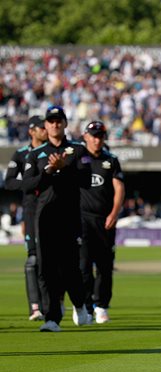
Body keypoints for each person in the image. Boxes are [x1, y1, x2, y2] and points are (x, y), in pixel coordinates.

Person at [22, 105, 92, 332]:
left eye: (58, 120)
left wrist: (65, 168)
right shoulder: (35, 154)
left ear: (65, 123)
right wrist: (48, 172)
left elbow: (87, 180)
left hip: (69, 216)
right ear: (46, 125)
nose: (54, 124)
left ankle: (80, 305)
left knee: (70, 268)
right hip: (44, 218)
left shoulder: (78, 151)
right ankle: (51, 318)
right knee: (46, 268)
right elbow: (26, 185)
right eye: (50, 121)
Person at [79, 121, 125, 324]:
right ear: (86, 136)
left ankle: (102, 306)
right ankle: (85, 306)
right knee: (84, 265)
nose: (97, 140)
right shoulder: (78, 159)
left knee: (105, 266)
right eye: (94, 136)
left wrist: (114, 213)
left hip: (105, 220)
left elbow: (119, 189)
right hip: (82, 219)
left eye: (101, 136)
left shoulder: (111, 160)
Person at [4, 116, 48, 321]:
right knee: (32, 259)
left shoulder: (54, 150)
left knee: (55, 258)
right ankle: (36, 307)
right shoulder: (21, 154)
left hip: (53, 208)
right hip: (31, 209)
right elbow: (9, 182)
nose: (45, 130)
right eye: (41, 127)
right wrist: (31, 184)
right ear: (32, 131)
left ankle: (54, 302)